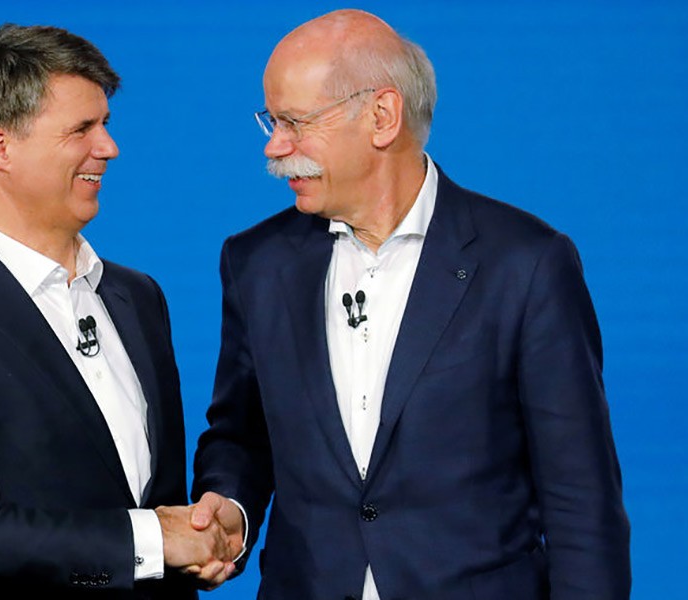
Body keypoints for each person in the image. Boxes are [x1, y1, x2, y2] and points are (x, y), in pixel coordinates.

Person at [190, 9, 631, 600]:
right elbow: (241, 435)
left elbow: (582, 501)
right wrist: (231, 509)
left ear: (382, 116)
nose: (275, 146)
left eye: (295, 121)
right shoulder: (256, 263)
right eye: (271, 121)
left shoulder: (525, 264)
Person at [0, 24, 238, 599]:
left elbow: (157, 503)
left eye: (105, 124)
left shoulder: (139, 297)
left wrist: (202, 535)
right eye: (81, 129)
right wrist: (151, 542)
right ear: (0, 149)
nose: (108, 147)